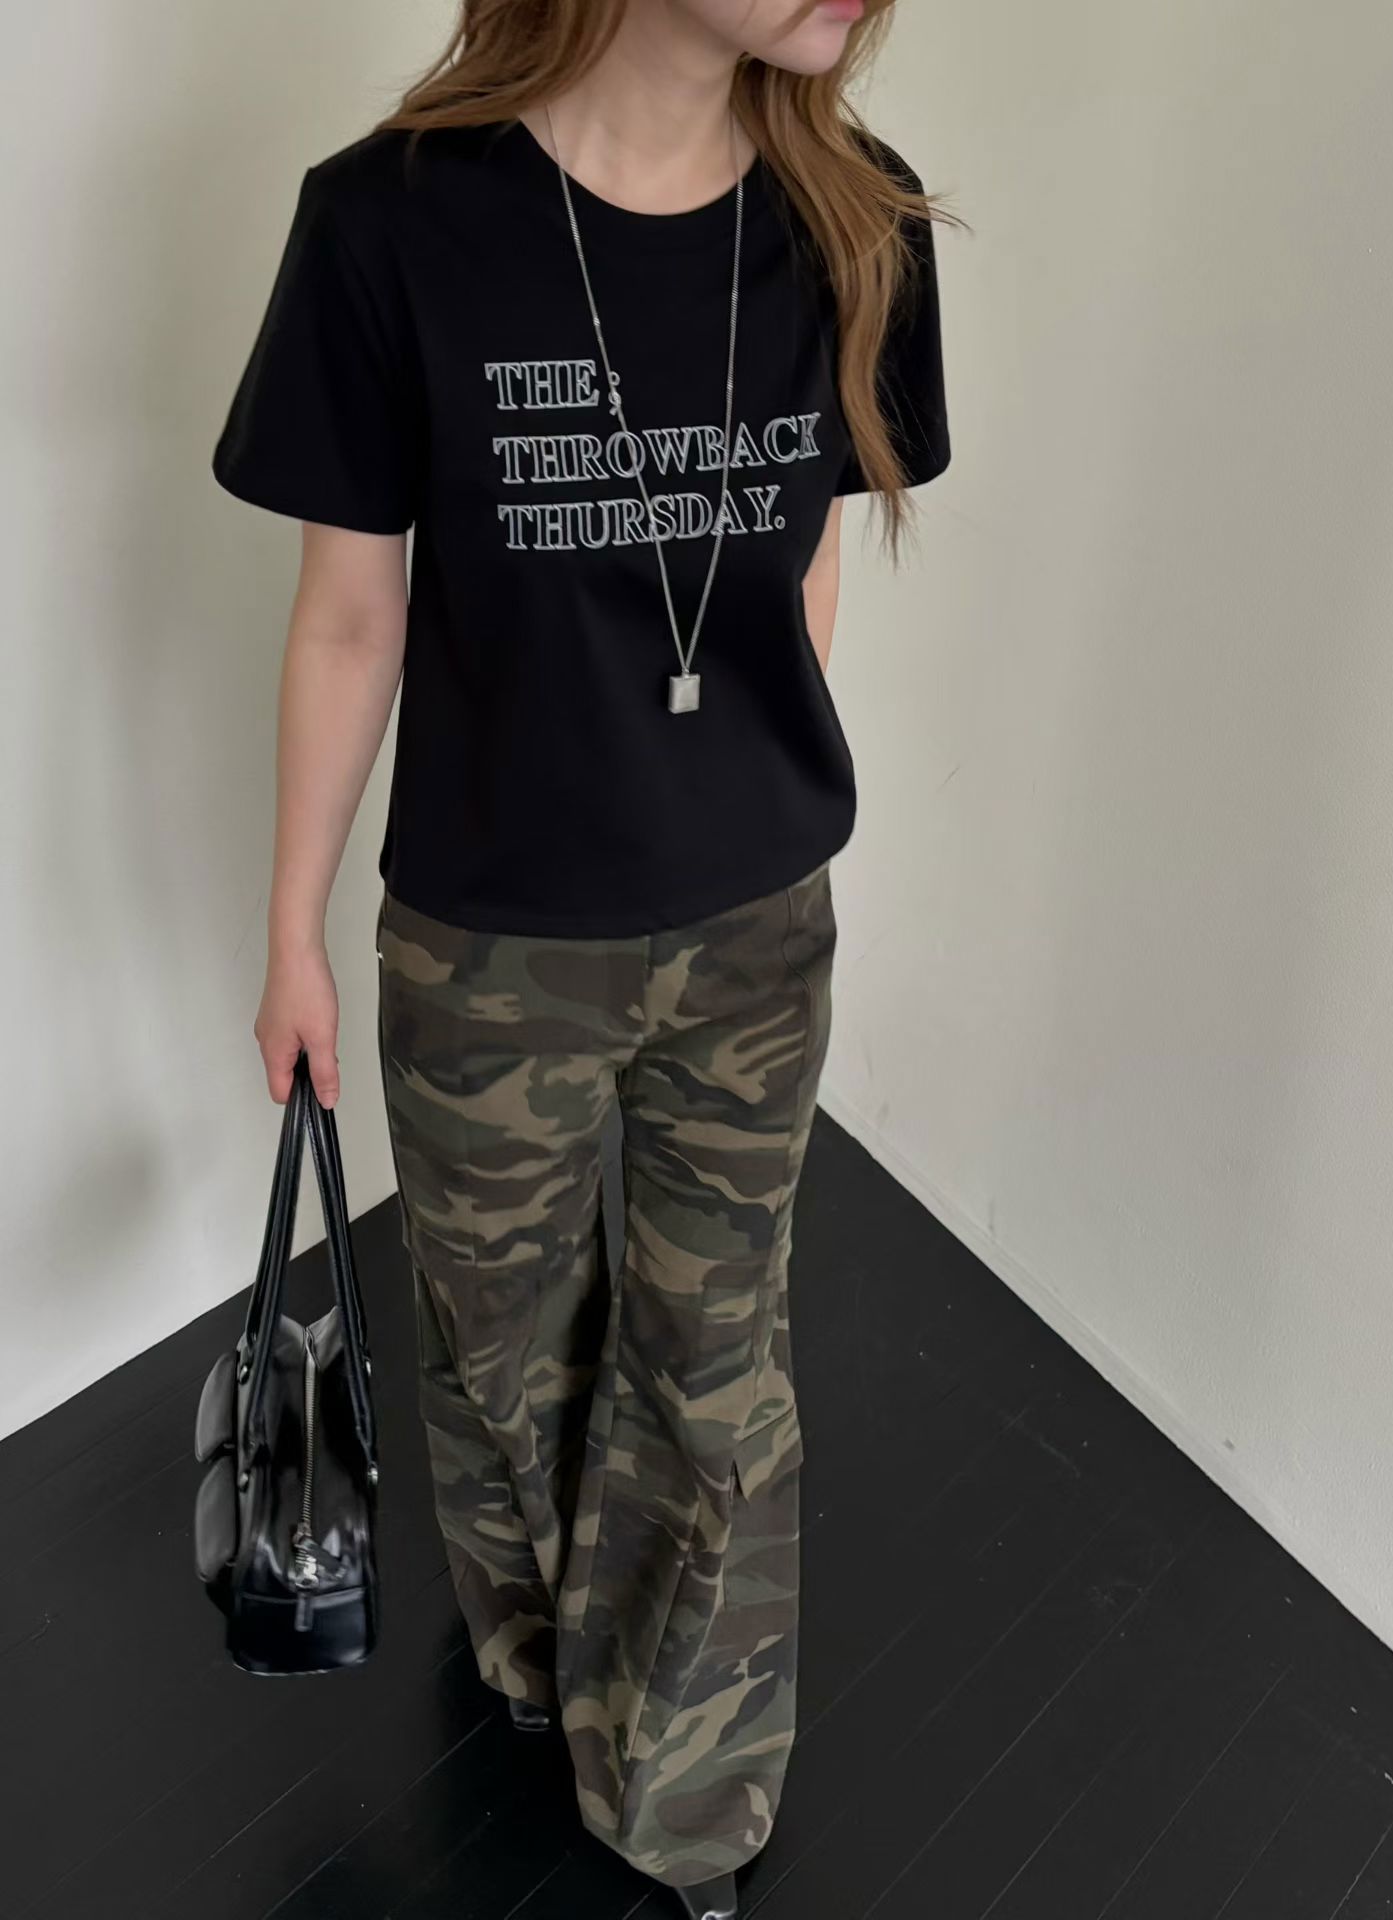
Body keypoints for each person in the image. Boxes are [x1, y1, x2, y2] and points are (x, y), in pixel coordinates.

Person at [211, 1, 951, 1913]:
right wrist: (292, 930)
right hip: (491, 945)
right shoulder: (388, 224)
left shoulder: (859, 223)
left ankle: (690, 1790)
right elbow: (349, 619)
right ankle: (544, 1657)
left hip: (757, 931)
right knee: (502, 1347)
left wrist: (722, 793)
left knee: (717, 1362)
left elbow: (802, 554)